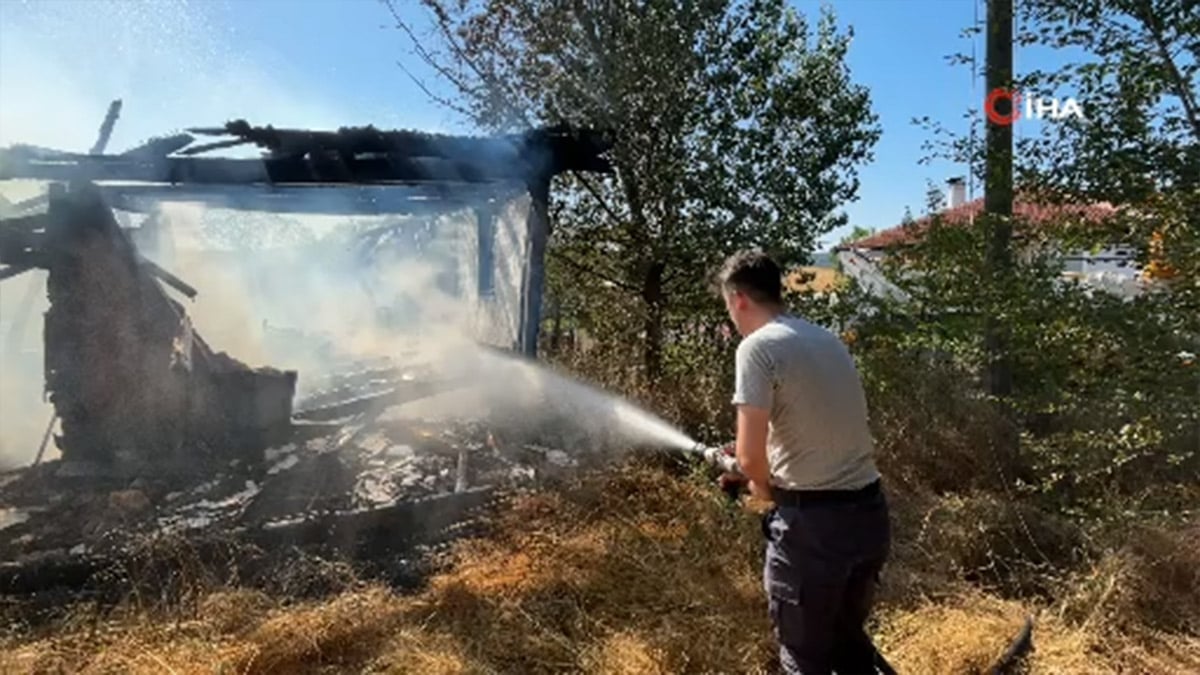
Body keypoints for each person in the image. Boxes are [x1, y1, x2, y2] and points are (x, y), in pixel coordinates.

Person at [715, 249, 893, 675]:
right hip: (869, 517)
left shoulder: (756, 347)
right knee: (849, 645)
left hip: (813, 532)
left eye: (728, 306)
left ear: (739, 299)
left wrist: (756, 483)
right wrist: (757, 461)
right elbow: (815, 428)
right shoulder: (825, 338)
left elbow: (750, 461)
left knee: (803, 658)